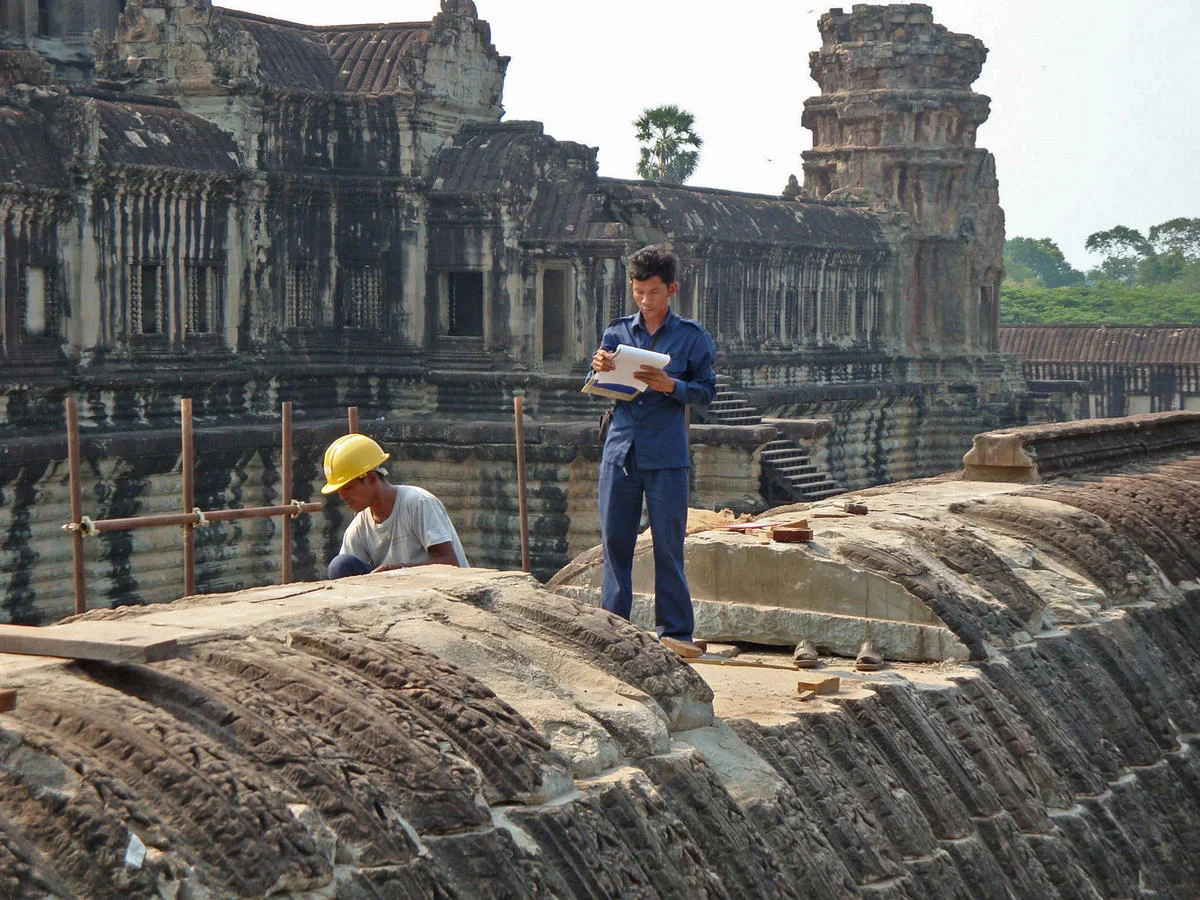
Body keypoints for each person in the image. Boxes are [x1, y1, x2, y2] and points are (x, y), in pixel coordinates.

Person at [591, 245, 717, 658]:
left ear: (672, 290)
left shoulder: (691, 336)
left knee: (668, 545)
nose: (646, 301)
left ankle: (676, 632)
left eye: (654, 292)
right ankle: (614, 628)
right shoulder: (617, 333)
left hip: (666, 454)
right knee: (615, 543)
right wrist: (600, 369)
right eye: (639, 291)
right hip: (621, 451)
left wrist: (672, 386)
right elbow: (597, 383)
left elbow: (707, 391)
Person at [321, 433, 468, 577]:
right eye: (339, 491)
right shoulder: (360, 526)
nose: (342, 496)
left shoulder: (418, 503)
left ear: (371, 478)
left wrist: (399, 570)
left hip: (437, 587)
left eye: (347, 488)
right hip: (394, 592)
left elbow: (449, 563)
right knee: (340, 565)